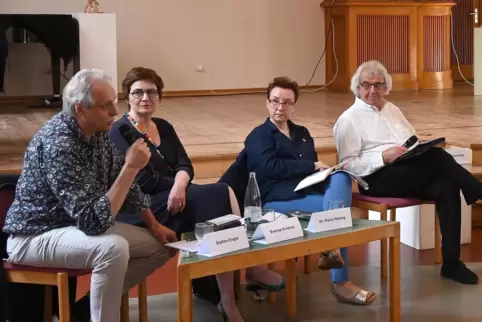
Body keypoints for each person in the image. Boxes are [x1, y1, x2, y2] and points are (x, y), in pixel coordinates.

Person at [109, 66, 285, 322]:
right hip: (142, 207)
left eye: (151, 92)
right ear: (127, 97)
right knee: (219, 196)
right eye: (138, 93)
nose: (145, 98)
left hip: (174, 195)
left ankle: (227, 294)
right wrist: (179, 185)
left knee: (218, 200)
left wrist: (181, 184)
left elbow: (185, 164)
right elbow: (144, 181)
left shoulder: (164, 127)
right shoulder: (120, 132)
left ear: (159, 96)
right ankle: (237, 284)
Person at [2, 68, 171, 322]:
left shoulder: (98, 132)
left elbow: (126, 188)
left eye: (113, 103)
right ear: (80, 109)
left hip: (73, 227)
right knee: (113, 249)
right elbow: (94, 222)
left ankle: (84, 313)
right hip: (34, 236)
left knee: (159, 246)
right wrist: (131, 167)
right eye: (106, 106)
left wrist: (155, 225)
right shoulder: (58, 144)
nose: (115, 112)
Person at [333, 60, 482, 285]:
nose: (373, 90)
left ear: (386, 87)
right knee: (438, 157)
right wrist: (383, 156)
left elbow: (410, 139)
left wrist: (414, 150)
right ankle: (475, 189)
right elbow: (348, 166)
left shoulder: (393, 109)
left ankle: (451, 264)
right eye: (366, 85)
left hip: (407, 170)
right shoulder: (348, 119)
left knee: (447, 186)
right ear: (357, 88)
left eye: (378, 85)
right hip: (376, 178)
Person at [243, 76, 376, 305]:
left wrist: (327, 174)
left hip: (307, 193)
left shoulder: (302, 133)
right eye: (275, 101)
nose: (280, 107)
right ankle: (340, 281)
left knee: (341, 177)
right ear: (267, 103)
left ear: (294, 106)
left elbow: (311, 174)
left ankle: (331, 250)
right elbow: (270, 167)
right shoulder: (258, 135)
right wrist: (312, 166)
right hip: (277, 198)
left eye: (286, 102)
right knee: (340, 216)